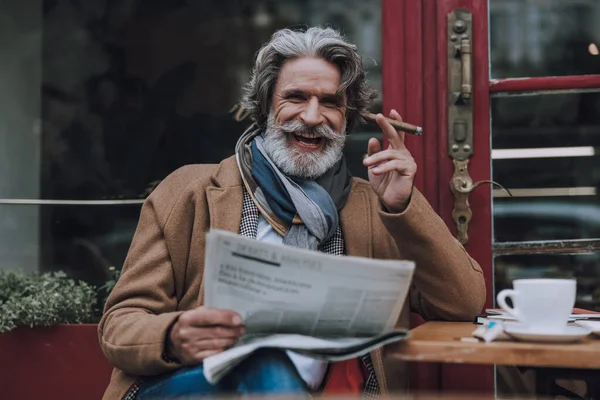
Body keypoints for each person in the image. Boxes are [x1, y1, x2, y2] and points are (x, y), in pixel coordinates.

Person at [98, 27, 486, 400]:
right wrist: (174, 335)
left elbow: (464, 303)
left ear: (346, 117)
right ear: (266, 106)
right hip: (194, 387)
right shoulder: (189, 192)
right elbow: (120, 323)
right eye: (296, 97)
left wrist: (403, 205)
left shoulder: (375, 207)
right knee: (267, 363)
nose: (313, 117)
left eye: (330, 102)